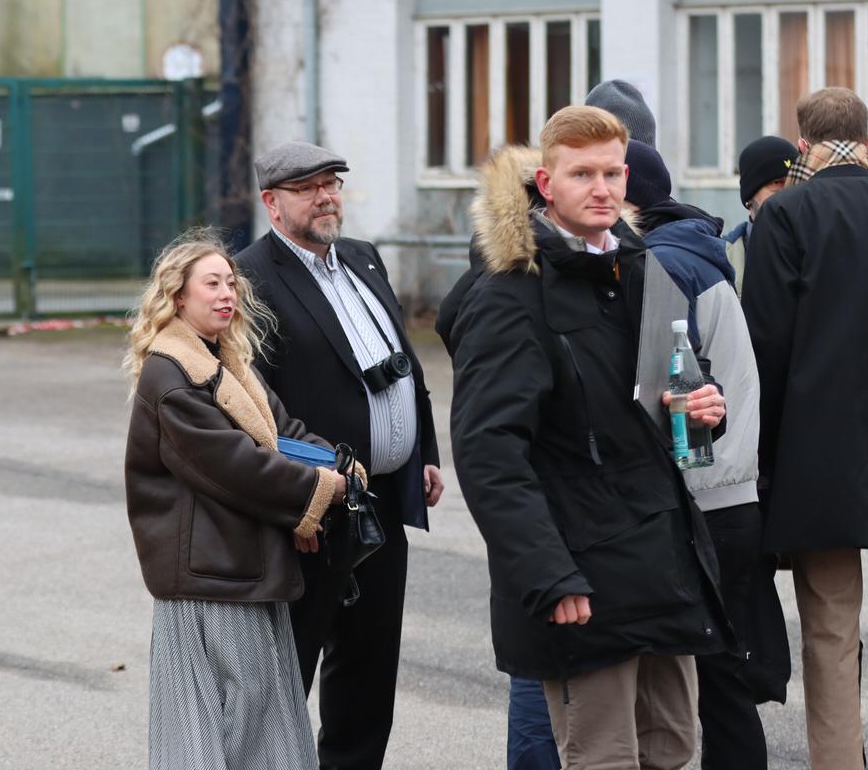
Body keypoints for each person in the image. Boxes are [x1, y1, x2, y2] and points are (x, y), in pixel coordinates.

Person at [437, 106, 730, 767]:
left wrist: (703, 403)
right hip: (582, 575)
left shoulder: (640, 269)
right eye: (582, 175)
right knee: (603, 757)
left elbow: (668, 392)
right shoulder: (510, 294)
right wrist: (548, 575)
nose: (602, 189)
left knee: (672, 748)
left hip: (661, 562)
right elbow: (488, 453)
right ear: (546, 183)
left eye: (612, 173)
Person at [236, 141, 442, 770]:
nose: (325, 197)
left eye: (331, 184)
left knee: (369, 670)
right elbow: (256, 410)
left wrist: (422, 451)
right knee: (288, 672)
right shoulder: (249, 278)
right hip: (312, 512)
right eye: (307, 188)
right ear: (272, 203)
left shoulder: (362, 257)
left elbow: (403, 363)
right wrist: (296, 501)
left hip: (378, 503)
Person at [124, 229, 361, 769]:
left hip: (238, 563)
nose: (227, 293)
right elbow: (236, 468)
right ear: (177, 297)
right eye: (211, 284)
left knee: (256, 711)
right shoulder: (171, 373)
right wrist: (321, 489)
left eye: (231, 283)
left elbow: (283, 432)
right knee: (232, 717)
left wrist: (337, 461)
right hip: (210, 574)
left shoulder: (224, 361)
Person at [742, 86, 868, 768]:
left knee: (829, 631)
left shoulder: (785, 214)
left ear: (802, 146)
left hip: (817, 457)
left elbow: (765, 347)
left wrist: (762, 461)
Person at [624, 139, 775, 769]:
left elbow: (660, 393)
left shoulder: (661, 264)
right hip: (732, 491)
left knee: (705, 682)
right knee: (723, 678)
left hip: (701, 497)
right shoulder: (695, 250)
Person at [723, 136, 798, 295]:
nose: (788, 193)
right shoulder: (724, 259)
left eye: (793, 183)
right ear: (750, 196)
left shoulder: (816, 248)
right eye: (777, 183)